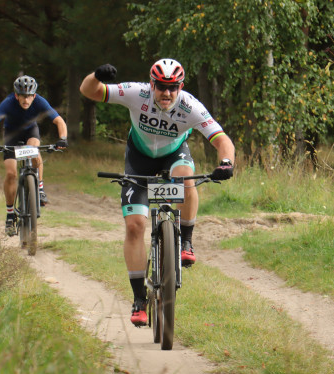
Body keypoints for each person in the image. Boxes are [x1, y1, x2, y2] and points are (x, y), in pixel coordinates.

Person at [79, 58, 235, 327]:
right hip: (138, 161)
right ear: (152, 85)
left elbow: (222, 140)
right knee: (135, 227)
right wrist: (96, 75)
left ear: (180, 87)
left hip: (173, 157)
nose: (166, 93)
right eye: (161, 86)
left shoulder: (190, 106)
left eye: (172, 87)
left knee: (185, 178)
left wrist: (226, 163)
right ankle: (139, 299)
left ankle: (185, 241)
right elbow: (90, 91)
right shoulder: (135, 93)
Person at [0, 75, 68, 236]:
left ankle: (40, 188)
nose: (26, 100)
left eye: (29, 96)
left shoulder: (40, 101)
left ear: (34, 95)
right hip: (11, 135)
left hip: (30, 131)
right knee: (10, 173)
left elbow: (59, 121)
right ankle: (9, 215)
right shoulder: (8, 103)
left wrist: (62, 138)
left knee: (33, 150)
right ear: (17, 95)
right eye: (22, 96)